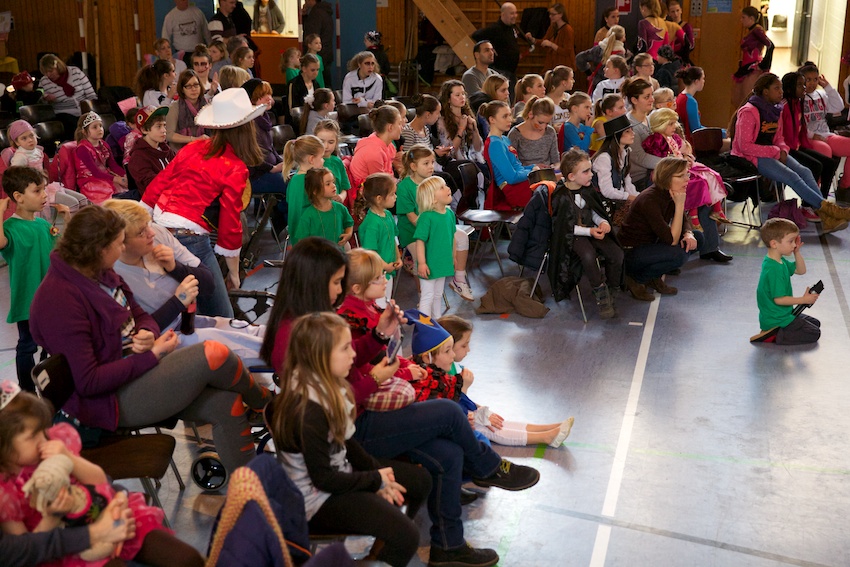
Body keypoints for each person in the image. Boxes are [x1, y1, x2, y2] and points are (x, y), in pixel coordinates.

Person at [260, 237, 541, 567]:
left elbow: (346, 364)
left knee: (448, 453)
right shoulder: (295, 333)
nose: (340, 289)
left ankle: (448, 545)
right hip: (351, 428)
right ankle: (486, 467)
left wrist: (379, 336)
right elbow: (330, 402)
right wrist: (377, 378)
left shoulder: (313, 317)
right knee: (449, 413)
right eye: (336, 282)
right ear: (314, 280)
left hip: (352, 422)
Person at [30, 205, 272, 472]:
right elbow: (89, 382)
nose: (122, 249)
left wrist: (147, 332)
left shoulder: (96, 271)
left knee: (227, 404)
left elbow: (139, 314)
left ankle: (250, 486)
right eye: (119, 244)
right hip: (106, 403)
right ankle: (267, 404)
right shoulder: (59, 301)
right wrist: (152, 354)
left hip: (133, 370)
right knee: (214, 353)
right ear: (100, 249)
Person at [266, 312, 430, 567]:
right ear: (319, 356)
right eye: (345, 348)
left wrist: (377, 474)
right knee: (407, 536)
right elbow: (323, 478)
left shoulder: (328, 386)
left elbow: (348, 443)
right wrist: (375, 480)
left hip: (336, 475)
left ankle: (378, 553)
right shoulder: (308, 410)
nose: (353, 354)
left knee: (420, 481)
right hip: (315, 502)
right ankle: (384, 549)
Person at [0, 386, 205, 567]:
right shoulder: (6, 493)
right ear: (5, 446)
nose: (43, 440)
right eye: (32, 436)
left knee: (187, 558)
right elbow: (28, 551)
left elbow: (101, 480)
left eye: (42, 431)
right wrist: (53, 516)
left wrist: (70, 458)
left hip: (103, 512)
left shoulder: (53, 446)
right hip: (68, 549)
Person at [143, 88, 267, 318]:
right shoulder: (235, 167)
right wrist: (234, 272)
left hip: (158, 231)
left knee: (183, 310)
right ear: (247, 128)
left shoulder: (192, 147)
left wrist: (143, 219)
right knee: (222, 314)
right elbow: (230, 223)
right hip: (190, 239)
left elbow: (158, 184)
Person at [103, 199, 266, 371]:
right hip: (164, 340)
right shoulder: (111, 276)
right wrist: (178, 301)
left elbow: (208, 284)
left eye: (148, 225)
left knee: (250, 331)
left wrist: (175, 268)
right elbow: (138, 336)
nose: (151, 233)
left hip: (185, 323)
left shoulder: (158, 235)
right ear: (121, 243)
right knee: (249, 348)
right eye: (141, 232)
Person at [729, 73, 850, 231]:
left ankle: (825, 215)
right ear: (765, 92)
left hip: (772, 153)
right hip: (750, 157)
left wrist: (783, 149)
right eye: (777, 88)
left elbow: (779, 138)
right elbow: (744, 146)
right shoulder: (749, 111)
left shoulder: (775, 110)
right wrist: (775, 151)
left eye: (781, 88)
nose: (781, 92)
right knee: (792, 177)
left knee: (805, 171)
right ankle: (829, 211)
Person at [438, 315, 575, 446]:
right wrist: (465, 390)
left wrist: (480, 409)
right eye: (464, 346)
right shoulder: (441, 372)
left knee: (495, 420)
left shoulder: (451, 366)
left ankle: (544, 429)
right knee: (490, 428)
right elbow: (453, 407)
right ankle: (545, 437)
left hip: (461, 412)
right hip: (454, 420)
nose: (468, 350)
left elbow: (461, 401)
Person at [618, 157, 731, 301]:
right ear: (666, 178)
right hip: (632, 251)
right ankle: (636, 279)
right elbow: (671, 240)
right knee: (678, 255)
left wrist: (688, 233)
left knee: (698, 237)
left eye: (687, 174)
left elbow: (683, 220)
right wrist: (679, 205)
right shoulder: (649, 200)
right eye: (681, 176)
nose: (687, 179)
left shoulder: (669, 192)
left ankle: (653, 276)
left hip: (651, 244)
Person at [0, 167, 69, 392]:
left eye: (43, 190)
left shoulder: (43, 225)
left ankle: (55, 386)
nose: (44, 195)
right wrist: (0, 212)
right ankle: (27, 391)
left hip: (51, 298)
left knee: (56, 341)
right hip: (29, 301)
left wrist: (66, 219)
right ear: (18, 197)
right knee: (27, 346)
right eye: (37, 191)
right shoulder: (10, 228)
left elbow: (63, 250)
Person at [397, 145, 474, 302]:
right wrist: (435, 232)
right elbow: (412, 218)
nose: (431, 166)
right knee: (421, 257)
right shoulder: (404, 187)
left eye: (432, 162)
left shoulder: (434, 182)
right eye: (426, 163)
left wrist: (440, 230)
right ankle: (423, 296)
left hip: (435, 228)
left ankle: (459, 280)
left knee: (461, 237)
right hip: (412, 233)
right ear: (413, 166)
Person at [555, 148, 623, 318]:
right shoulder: (561, 195)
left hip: (591, 230)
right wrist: (589, 231)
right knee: (587, 255)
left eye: (590, 170)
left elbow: (593, 210)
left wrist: (603, 222)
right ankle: (600, 291)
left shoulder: (587, 188)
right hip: (573, 235)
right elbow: (565, 227)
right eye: (586, 172)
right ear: (571, 176)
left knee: (616, 253)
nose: (591, 175)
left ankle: (612, 288)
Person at [641, 108, 728, 230]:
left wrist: (686, 157)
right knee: (698, 181)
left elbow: (683, 151)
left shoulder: (673, 138)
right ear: (661, 124)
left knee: (712, 174)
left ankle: (717, 209)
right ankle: (693, 215)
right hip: (670, 171)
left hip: (681, 166)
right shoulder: (657, 140)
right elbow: (663, 161)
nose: (675, 126)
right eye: (671, 124)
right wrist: (680, 161)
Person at [0, 496, 136, 567]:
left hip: (76, 532)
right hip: (59, 548)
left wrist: (119, 496)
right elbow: (20, 552)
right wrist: (98, 532)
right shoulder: (7, 494)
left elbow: (100, 480)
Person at [751, 218, 821, 345]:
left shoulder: (779, 261)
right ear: (774, 244)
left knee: (816, 323)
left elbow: (801, 270)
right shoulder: (774, 269)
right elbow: (779, 300)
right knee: (814, 333)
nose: (794, 245)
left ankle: (776, 330)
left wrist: (797, 252)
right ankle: (775, 334)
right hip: (777, 319)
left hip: (783, 313)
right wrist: (803, 300)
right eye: (790, 241)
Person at [778, 72, 839, 199]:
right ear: (789, 88)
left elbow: (801, 130)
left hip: (797, 146)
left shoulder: (797, 103)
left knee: (830, 163)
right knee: (815, 166)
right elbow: (780, 135)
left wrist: (805, 147)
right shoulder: (783, 106)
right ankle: (809, 204)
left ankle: (822, 201)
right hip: (786, 149)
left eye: (803, 84)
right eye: (800, 85)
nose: (804, 87)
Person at [799, 62, 850, 197]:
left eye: (815, 79)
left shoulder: (821, 95)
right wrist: (813, 135)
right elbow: (798, 124)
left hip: (825, 134)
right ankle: (816, 192)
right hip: (808, 137)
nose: (812, 83)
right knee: (825, 150)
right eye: (808, 79)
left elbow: (838, 106)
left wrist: (827, 87)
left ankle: (844, 186)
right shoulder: (799, 98)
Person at [414, 176, 456, 317]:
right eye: (442, 187)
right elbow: (420, 241)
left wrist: (454, 257)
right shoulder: (426, 217)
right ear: (433, 199)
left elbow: (453, 237)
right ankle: (425, 325)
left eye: (445, 185)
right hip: (429, 264)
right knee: (427, 296)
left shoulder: (449, 214)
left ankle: (437, 321)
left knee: (438, 294)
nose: (447, 188)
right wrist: (422, 263)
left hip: (442, 262)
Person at [357, 174, 402, 307]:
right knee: (379, 305)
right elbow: (371, 252)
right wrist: (384, 266)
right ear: (379, 199)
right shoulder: (372, 224)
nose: (395, 197)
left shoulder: (387, 214)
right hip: (377, 274)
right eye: (392, 194)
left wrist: (398, 257)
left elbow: (392, 238)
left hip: (388, 270)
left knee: (386, 301)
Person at [481, 101, 534, 210]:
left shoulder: (504, 139)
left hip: (521, 183)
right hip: (513, 190)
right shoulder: (495, 144)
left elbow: (517, 166)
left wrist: (533, 167)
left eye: (510, 115)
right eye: (505, 116)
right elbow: (511, 178)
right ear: (492, 120)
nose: (510, 119)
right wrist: (532, 172)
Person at [591, 115, 639, 223]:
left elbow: (627, 183)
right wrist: (629, 197)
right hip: (603, 206)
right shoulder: (604, 158)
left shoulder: (625, 153)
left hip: (618, 201)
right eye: (627, 131)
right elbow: (607, 191)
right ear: (617, 136)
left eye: (632, 130)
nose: (633, 133)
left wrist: (638, 196)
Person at [74, 112, 129, 205]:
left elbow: (113, 165)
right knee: (110, 193)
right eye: (95, 127)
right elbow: (95, 172)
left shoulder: (104, 144)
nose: (100, 129)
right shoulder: (82, 148)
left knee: (126, 188)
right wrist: (117, 179)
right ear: (84, 131)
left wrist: (125, 175)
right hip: (90, 180)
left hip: (105, 176)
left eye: (100, 126)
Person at [37, 55, 97, 138]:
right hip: (63, 113)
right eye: (45, 72)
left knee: (94, 123)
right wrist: (46, 99)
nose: (48, 74)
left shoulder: (75, 72)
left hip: (84, 110)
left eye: (50, 71)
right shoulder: (44, 82)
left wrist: (91, 110)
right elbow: (40, 102)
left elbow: (91, 94)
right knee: (73, 125)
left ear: (58, 66)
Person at [292, 167, 353, 248]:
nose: (333, 186)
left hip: (338, 253)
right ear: (315, 191)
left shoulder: (340, 208)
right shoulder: (308, 216)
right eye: (328, 184)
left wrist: (348, 234)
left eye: (333, 182)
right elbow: (302, 242)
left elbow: (349, 223)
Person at [349, 105, 403, 192]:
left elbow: (389, 177)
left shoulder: (390, 146)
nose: (402, 127)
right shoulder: (374, 152)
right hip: (368, 193)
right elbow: (379, 185)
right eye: (399, 123)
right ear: (390, 127)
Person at [283, 134, 327, 238]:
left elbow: (289, 201)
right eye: (321, 157)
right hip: (311, 235)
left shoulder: (294, 179)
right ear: (311, 159)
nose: (323, 161)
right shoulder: (312, 181)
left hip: (296, 234)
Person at [471, 2, 524, 85]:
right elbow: (476, 35)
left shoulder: (511, 28)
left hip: (511, 72)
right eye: (512, 13)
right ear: (503, 14)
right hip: (500, 71)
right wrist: (490, 48)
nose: (515, 16)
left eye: (515, 13)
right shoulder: (495, 28)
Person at [732, 6, 773, 110]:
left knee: (747, 100)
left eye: (743, 17)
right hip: (745, 67)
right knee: (737, 99)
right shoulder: (752, 31)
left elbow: (770, 45)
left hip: (752, 68)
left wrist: (763, 65)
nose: (741, 20)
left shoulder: (757, 30)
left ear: (751, 18)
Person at [127, 105, 175, 196]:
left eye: (164, 125)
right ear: (144, 130)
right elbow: (153, 184)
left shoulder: (166, 149)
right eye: (158, 126)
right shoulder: (138, 158)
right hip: (156, 200)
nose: (164, 130)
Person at [675, 66, 728, 145]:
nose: (704, 81)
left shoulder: (681, 97)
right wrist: (722, 133)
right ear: (696, 81)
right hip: (691, 142)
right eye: (702, 78)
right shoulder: (690, 101)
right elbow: (696, 129)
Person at [623, 77, 659, 191]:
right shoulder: (630, 125)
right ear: (634, 100)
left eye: (652, 95)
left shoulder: (648, 118)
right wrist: (669, 162)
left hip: (653, 171)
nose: (652, 99)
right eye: (646, 97)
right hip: (640, 180)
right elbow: (640, 157)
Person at [165, 70, 210, 153]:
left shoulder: (207, 104)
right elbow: (168, 135)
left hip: (204, 149)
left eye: (196, 85)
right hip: (180, 152)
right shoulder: (174, 107)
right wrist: (194, 140)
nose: (193, 89)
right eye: (188, 86)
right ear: (182, 89)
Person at [508, 96, 559, 168]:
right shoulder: (515, 134)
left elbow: (556, 161)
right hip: (524, 173)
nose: (543, 127)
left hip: (546, 172)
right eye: (540, 122)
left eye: (547, 123)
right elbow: (512, 165)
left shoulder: (550, 131)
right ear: (531, 115)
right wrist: (532, 167)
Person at [576, 26, 627, 93]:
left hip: (596, 84)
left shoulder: (598, 49)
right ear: (623, 38)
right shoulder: (620, 54)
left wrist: (589, 73)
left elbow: (579, 58)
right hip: (613, 88)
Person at [314, 119, 351, 204]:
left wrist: (341, 197)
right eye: (321, 141)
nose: (326, 146)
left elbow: (344, 188)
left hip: (337, 206)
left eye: (331, 142)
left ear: (336, 142)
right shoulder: (311, 163)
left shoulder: (337, 162)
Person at [301, 0, 334, 87]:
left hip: (318, 54)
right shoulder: (325, 11)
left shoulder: (315, 14)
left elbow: (311, 34)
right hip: (327, 52)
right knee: (326, 80)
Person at [539, 4, 575, 76]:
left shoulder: (567, 30)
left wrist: (551, 45)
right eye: (550, 14)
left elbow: (567, 51)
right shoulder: (553, 27)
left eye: (553, 14)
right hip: (553, 64)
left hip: (564, 65)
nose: (550, 16)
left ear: (560, 15)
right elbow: (544, 41)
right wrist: (533, 39)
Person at [289, 54, 321, 123]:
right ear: (304, 69)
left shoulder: (316, 84)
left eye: (317, 70)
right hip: (299, 121)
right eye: (312, 70)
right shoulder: (294, 84)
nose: (316, 73)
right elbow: (293, 109)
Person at [666, 0, 694, 65]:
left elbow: (691, 45)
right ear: (669, 13)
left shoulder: (686, 26)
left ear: (681, 10)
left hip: (682, 58)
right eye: (673, 12)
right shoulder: (667, 26)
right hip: (668, 57)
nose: (676, 14)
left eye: (677, 10)